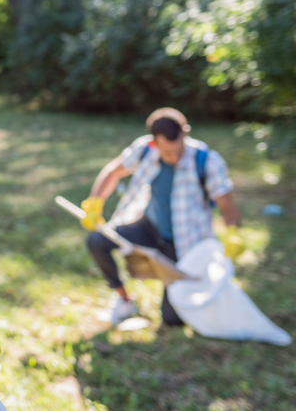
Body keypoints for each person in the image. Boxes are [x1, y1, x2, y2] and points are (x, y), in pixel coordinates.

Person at [80, 108, 245, 326]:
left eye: (178, 150)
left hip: (184, 242)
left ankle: (175, 298)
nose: (175, 157)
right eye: (168, 153)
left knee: (173, 319)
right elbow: (113, 172)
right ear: (153, 143)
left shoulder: (206, 161)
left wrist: (232, 232)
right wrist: (95, 202)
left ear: (185, 133)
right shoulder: (144, 150)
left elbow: (227, 203)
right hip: (149, 227)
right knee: (97, 241)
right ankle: (124, 300)